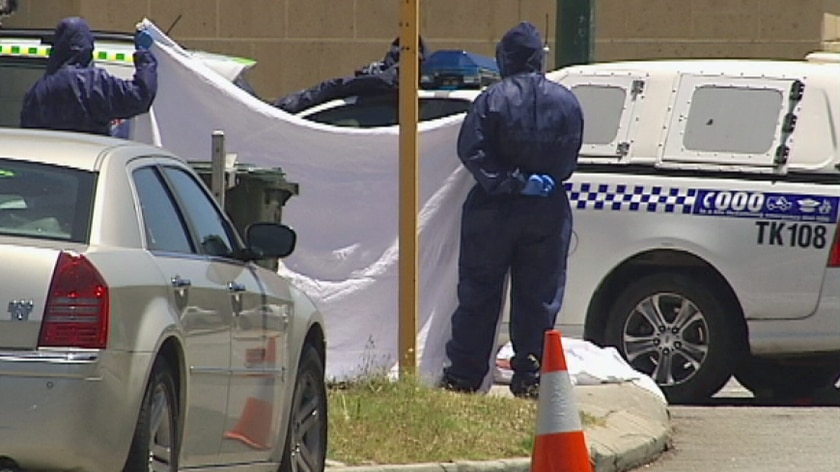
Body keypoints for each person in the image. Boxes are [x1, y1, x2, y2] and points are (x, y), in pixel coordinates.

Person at [441, 21, 584, 398]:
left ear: (507, 58)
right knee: (538, 297)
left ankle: (465, 376)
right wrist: (543, 180)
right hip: (547, 210)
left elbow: (473, 151)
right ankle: (532, 373)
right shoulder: (567, 102)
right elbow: (570, 154)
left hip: (494, 210)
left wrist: (513, 181)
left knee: (479, 293)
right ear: (539, 59)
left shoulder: (492, 99)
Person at [20, 17, 158, 136]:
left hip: (51, 162)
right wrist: (144, 55)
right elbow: (141, 95)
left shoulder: (37, 91)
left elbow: (29, 138)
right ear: (87, 46)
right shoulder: (94, 83)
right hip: (92, 160)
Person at [272, 36, 429, 114]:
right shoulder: (400, 76)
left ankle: (279, 108)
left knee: (328, 87)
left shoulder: (399, 77)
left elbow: (338, 86)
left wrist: (364, 76)